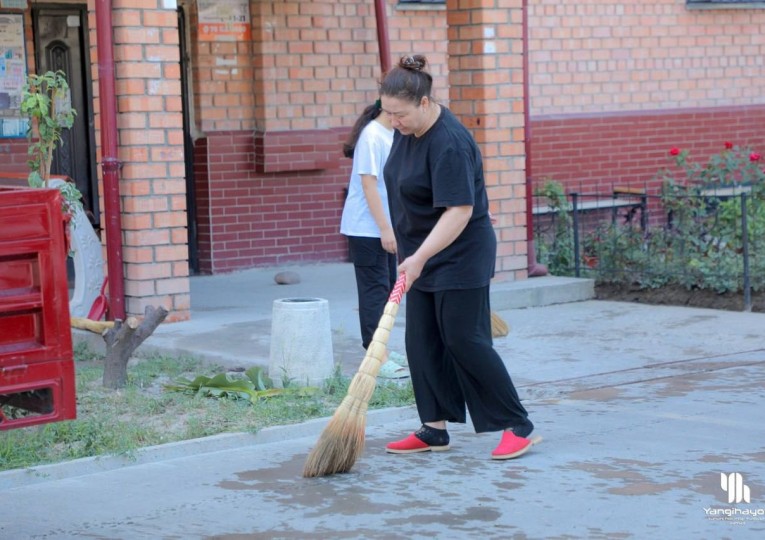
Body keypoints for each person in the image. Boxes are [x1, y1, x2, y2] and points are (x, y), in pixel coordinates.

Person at [379, 55, 537, 459]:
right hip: (422, 252)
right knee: (422, 342)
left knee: (465, 340)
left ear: (425, 103)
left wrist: (419, 256)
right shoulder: (407, 131)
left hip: (460, 253)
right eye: (388, 114)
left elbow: (460, 211)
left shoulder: (449, 141)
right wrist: (405, 242)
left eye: (399, 114)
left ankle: (517, 424)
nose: (393, 122)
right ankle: (434, 428)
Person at [340, 99, 409, 379]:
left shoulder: (392, 134)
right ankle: (375, 356)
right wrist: (385, 229)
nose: (401, 119)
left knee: (386, 289)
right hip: (366, 229)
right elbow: (369, 184)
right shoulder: (372, 135)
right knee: (374, 292)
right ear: (387, 108)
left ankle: (383, 351)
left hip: (383, 228)